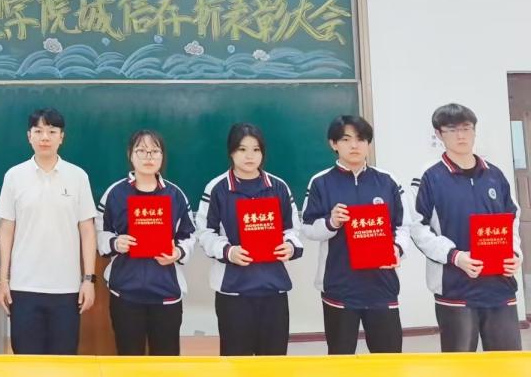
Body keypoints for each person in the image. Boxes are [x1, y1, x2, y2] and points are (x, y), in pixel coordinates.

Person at [411, 103, 523, 352]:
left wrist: (514, 254)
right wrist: (455, 256)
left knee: (506, 363)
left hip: (499, 285)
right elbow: (418, 227)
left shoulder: (495, 174)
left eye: (466, 128)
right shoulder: (429, 176)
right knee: (459, 363)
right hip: (455, 286)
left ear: (474, 130)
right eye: (452, 130)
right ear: (439, 134)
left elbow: (512, 218)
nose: (460, 135)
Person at [300, 115, 410, 354]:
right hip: (339, 285)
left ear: (368, 143)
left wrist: (396, 249)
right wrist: (331, 222)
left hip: (381, 284)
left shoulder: (387, 181)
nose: (354, 145)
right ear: (333, 144)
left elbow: (403, 226)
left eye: (360, 139)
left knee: (388, 359)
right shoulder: (321, 182)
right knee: (341, 358)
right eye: (346, 139)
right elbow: (307, 228)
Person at [0, 108, 97, 355]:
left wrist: (89, 280)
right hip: (24, 287)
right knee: (27, 362)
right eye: (38, 131)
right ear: (29, 136)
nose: (45, 137)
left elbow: (87, 231)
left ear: (62, 137)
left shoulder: (78, 176)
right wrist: (3, 280)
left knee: (63, 362)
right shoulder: (14, 176)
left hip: (67, 289)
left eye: (52, 131)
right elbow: (6, 230)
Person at [197, 122, 303, 356]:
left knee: (273, 362)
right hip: (233, 290)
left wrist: (289, 246)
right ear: (231, 151)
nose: (249, 156)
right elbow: (205, 233)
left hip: (272, 288)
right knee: (236, 362)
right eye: (242, 149)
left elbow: (292, 229)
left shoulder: (278, 187)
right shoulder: (217, 188)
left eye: (256, 149)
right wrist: (228, 251)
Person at [96, 129, 195, 356]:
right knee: (129, 359)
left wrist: (178, 252)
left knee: (166, 360)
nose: (148, 157)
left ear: (162, 156)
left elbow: (189, 236)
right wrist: (115, 242)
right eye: (141, 151)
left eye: (154, 151)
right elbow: (100, 233)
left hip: (166, 291)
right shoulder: (115, 193)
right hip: (126, 292)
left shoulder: (175, 195)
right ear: (130, 155)